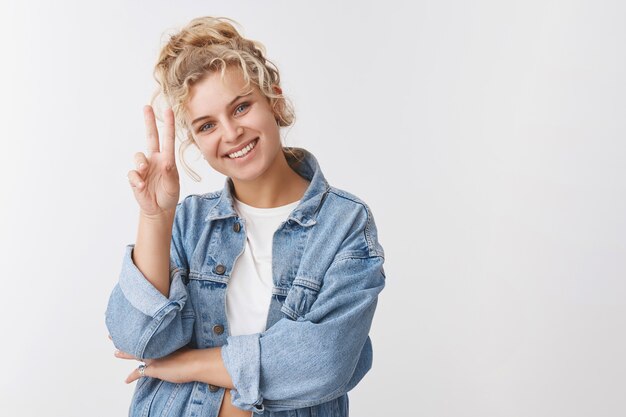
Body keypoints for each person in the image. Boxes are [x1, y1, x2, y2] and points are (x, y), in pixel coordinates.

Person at [105, 16, 386, 417]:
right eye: (206, 125)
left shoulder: (343, 224)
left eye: (241, 107)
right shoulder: (188, 222)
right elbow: (138, 338)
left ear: (273, 97)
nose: (231, 133)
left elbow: (322, 362)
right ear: (196, 141)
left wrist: (186, 366)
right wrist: (155, 216)